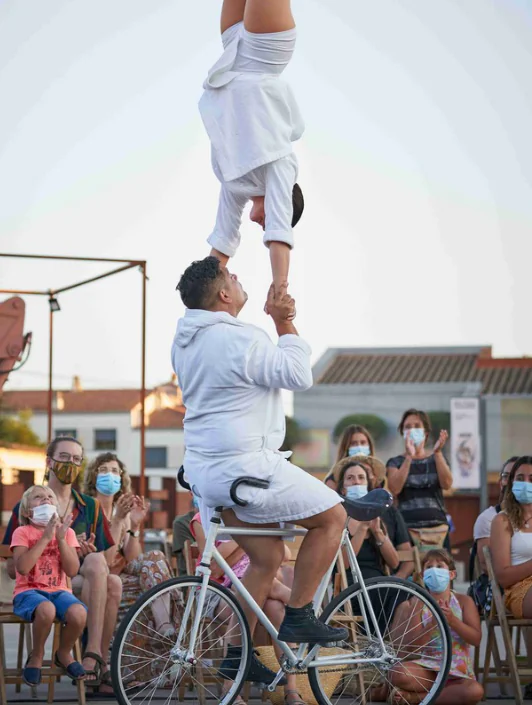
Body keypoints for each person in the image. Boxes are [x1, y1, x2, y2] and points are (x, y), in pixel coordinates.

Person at [172, 256, 347, 685]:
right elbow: (298, 374)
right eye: (231, 276)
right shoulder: (239, 338)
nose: (237, 276)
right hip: (246, 468)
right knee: (333, 518)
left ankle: (237, 653)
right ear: (224, 295)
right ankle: (301, 614)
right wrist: (284, 321)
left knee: (267, 557)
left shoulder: (184, 341)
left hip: (206, 475)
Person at [199, 0, 305, 294]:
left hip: (233, 54)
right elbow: (279, 234)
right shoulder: (281, 166)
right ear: (278, 204)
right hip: (264, 55)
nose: (256, 220)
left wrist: (200, 299)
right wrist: (280, 289)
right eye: (264, 221)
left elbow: (223, 240)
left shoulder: (236, 183)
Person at [2, 436, 121, 692]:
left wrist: (75, 547)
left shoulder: (90, 506)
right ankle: (96, 660)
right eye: (64, 458)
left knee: (109, 576)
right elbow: (14, 568)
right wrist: (49, 543)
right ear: (49, 462)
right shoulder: (26, 506)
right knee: (107, 580)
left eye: (77, 459)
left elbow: (106, 560)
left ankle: (93, 653)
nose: (71, 463)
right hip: (39, 583)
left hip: (76, 579)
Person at [190, 511, 307, 705]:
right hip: (214, 589)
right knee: (244, 604)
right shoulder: (200, 519)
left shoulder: (249, 515)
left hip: (254, 586)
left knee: (275, 607)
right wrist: (247, 536)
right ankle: (231, 690)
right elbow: (213, 565)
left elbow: (282, 554)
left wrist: (248, 539)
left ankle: (291, 690)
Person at [82, 453, 174, 631]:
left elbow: (134, 558)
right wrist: (117, 521)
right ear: (93, 477)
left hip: (123, 574)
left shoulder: (121, 511)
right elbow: (106, 561)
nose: (110, 475)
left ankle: (165, 625)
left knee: (156, 556)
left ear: (121, 477)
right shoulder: (87, 510)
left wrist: (134, 525)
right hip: (101, 578)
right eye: (104, 470)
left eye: (115, 471)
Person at [11, 486, 87, 686]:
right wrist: (46, 537)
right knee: (47, 609)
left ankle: (63, 652)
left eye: (49, 497)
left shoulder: (67, 533)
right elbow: (23, 567)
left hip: (59, 591)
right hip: (28, 592)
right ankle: (36, 655)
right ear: (28, 512)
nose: (45, 500)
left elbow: (72, 570)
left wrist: (60, 538)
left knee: (79, 613)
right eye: (38, 498)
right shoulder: (22, 532)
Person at [389, 549, 483, 704]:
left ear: (451, 574)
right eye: (429, 567)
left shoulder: (464, 601)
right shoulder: (418, 603)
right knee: (398, 673)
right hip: (428, 670)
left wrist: (453, 621)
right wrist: (433, 623)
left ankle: (415, 698)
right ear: (422, 575)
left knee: (475, 691)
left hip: (458, 673)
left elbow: (476, 639)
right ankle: (442, 695)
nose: (434, 570)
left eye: (440, 566)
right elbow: (412, 646)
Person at [334, 457, 414, 582]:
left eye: (361, 478)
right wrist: (363, 528)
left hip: (379, 582)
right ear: (343, 489)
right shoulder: (338, 517)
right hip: (350, 584)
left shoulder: (378, 516)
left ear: (368, 487)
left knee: (405, 600)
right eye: (350, 478)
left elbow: (394, 563)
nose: (356, 482)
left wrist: (377, 532)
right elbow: (342, 565)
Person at [386, 409, 453, 550]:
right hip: (407, 530)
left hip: (438, 529)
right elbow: (395, 488)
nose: (412, 430)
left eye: (417, 426)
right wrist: (409, 457)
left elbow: (447, 484)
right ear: (402, 433)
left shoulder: (436, 458)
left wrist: (438, 453)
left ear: (426, 433)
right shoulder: (395, 462)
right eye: (407, 427)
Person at [491, 455, 532, 670]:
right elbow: (503, 576)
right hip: (517, 589)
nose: (527, 483)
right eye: (521, 477)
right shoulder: (503, 520)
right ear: (511, 482)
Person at [472, 456, 517, 575]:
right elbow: (488, 567)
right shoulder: (488, 519)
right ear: (500, 483)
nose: (511, 482)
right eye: (506, 476)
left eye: (517, 477)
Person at [324, 424, 376, 490]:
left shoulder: (376, 475)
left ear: (369, 445)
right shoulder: (333, 480)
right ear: (346, 447)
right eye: (353, 443)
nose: (359, 446)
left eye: (363, 442)